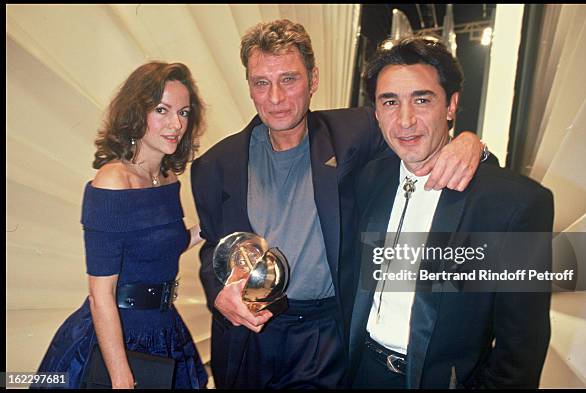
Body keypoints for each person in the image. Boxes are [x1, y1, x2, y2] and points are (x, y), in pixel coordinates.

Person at [190, 19, 485, 389]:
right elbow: (213, 248)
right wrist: (219, 292)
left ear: (313, 80)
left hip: (324, 335)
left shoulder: (356, 133)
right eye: (261, 83)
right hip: (250, 334)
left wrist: (470, 141)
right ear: (249, 86)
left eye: (289, 79)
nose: (276, 98)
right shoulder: (215, 167)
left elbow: (417, 131)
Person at [348, 38, 553, 388]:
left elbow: (520, 353)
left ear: (451, 105)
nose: (406, 120)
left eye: (422, 100)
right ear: (377, 113)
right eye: (390, 102)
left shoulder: (513, 205)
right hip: (360, 372)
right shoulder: (368, 179)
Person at [34, 62, 208, 389]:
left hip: (164, 326)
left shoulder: (167, 179)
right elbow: (101, 295)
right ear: (136, 112)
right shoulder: (113, 182)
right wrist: (121, 377)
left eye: (184, 112)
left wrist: (208, 228)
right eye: (162, 110)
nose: (176, 124)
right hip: (116, 337)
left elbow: (159, 250)